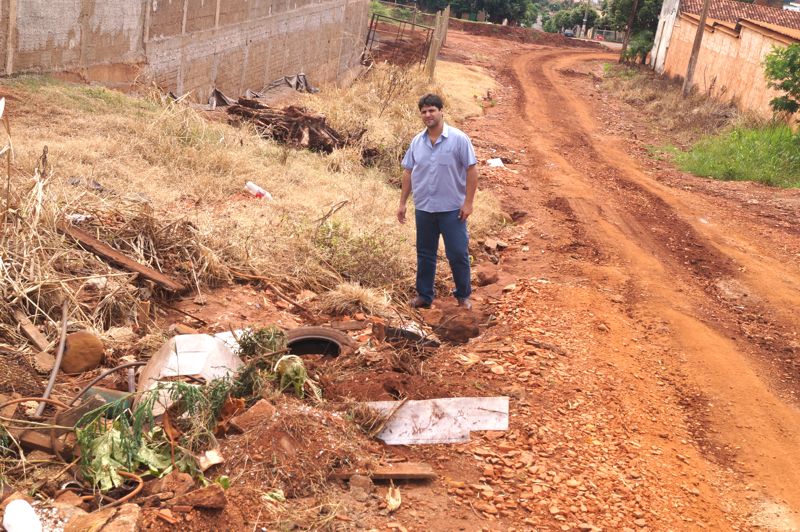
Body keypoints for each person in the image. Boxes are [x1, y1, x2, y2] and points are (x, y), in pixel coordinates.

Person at [397, 93, 478, 311]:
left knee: (458, 253)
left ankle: (463, 296)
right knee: (425, 254)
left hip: (452, 209)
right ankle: (424, 296)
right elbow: (408, 171)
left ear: (441, 111)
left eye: (432, 110)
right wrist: (403, 202)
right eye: (424, 112)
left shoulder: (459, 139)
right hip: (424, 208)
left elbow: (472, 170)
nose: (428, 115)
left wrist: (468, 203)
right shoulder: (417, 141)